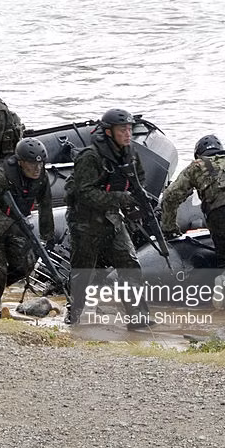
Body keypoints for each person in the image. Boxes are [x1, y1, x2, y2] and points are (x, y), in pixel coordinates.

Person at [63, 108, 151, 328]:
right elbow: (84, 193)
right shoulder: (90, 157)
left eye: (130, 129)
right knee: (83, 273)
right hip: (85, 221)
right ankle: (74, 314)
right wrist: (119, 198)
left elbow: (139, 180)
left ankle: (138, 317)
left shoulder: (130, 152)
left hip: (112, 219)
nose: (128, 134)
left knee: (129, 263)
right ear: (110, 132)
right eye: (123, 130)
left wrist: (137, 204)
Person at [159, 135, 225, 309]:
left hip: (218, 212)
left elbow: (170, 196)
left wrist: (169, 227)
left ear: (198, 153)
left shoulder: (196, 166)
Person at [0, 137, 54, 318]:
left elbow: (46, 205)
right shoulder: (0, 176)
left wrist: (49, 237)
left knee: (26, 264)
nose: (37, 168)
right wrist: (10, 226)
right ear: (21, 162)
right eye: (32, 164)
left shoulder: (41, 177)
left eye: (40, 164)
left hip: (15, 223)